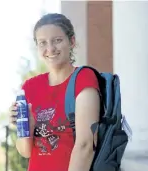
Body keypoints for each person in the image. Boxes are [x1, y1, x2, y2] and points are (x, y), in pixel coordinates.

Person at [9, 13, 100, 171]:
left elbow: (86, 145)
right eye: (42, 43)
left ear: (71, 42)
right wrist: (25, 127)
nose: (50, 48)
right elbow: (25, 152)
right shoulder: (30, 86)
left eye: (57, 40)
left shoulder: (84, 78)